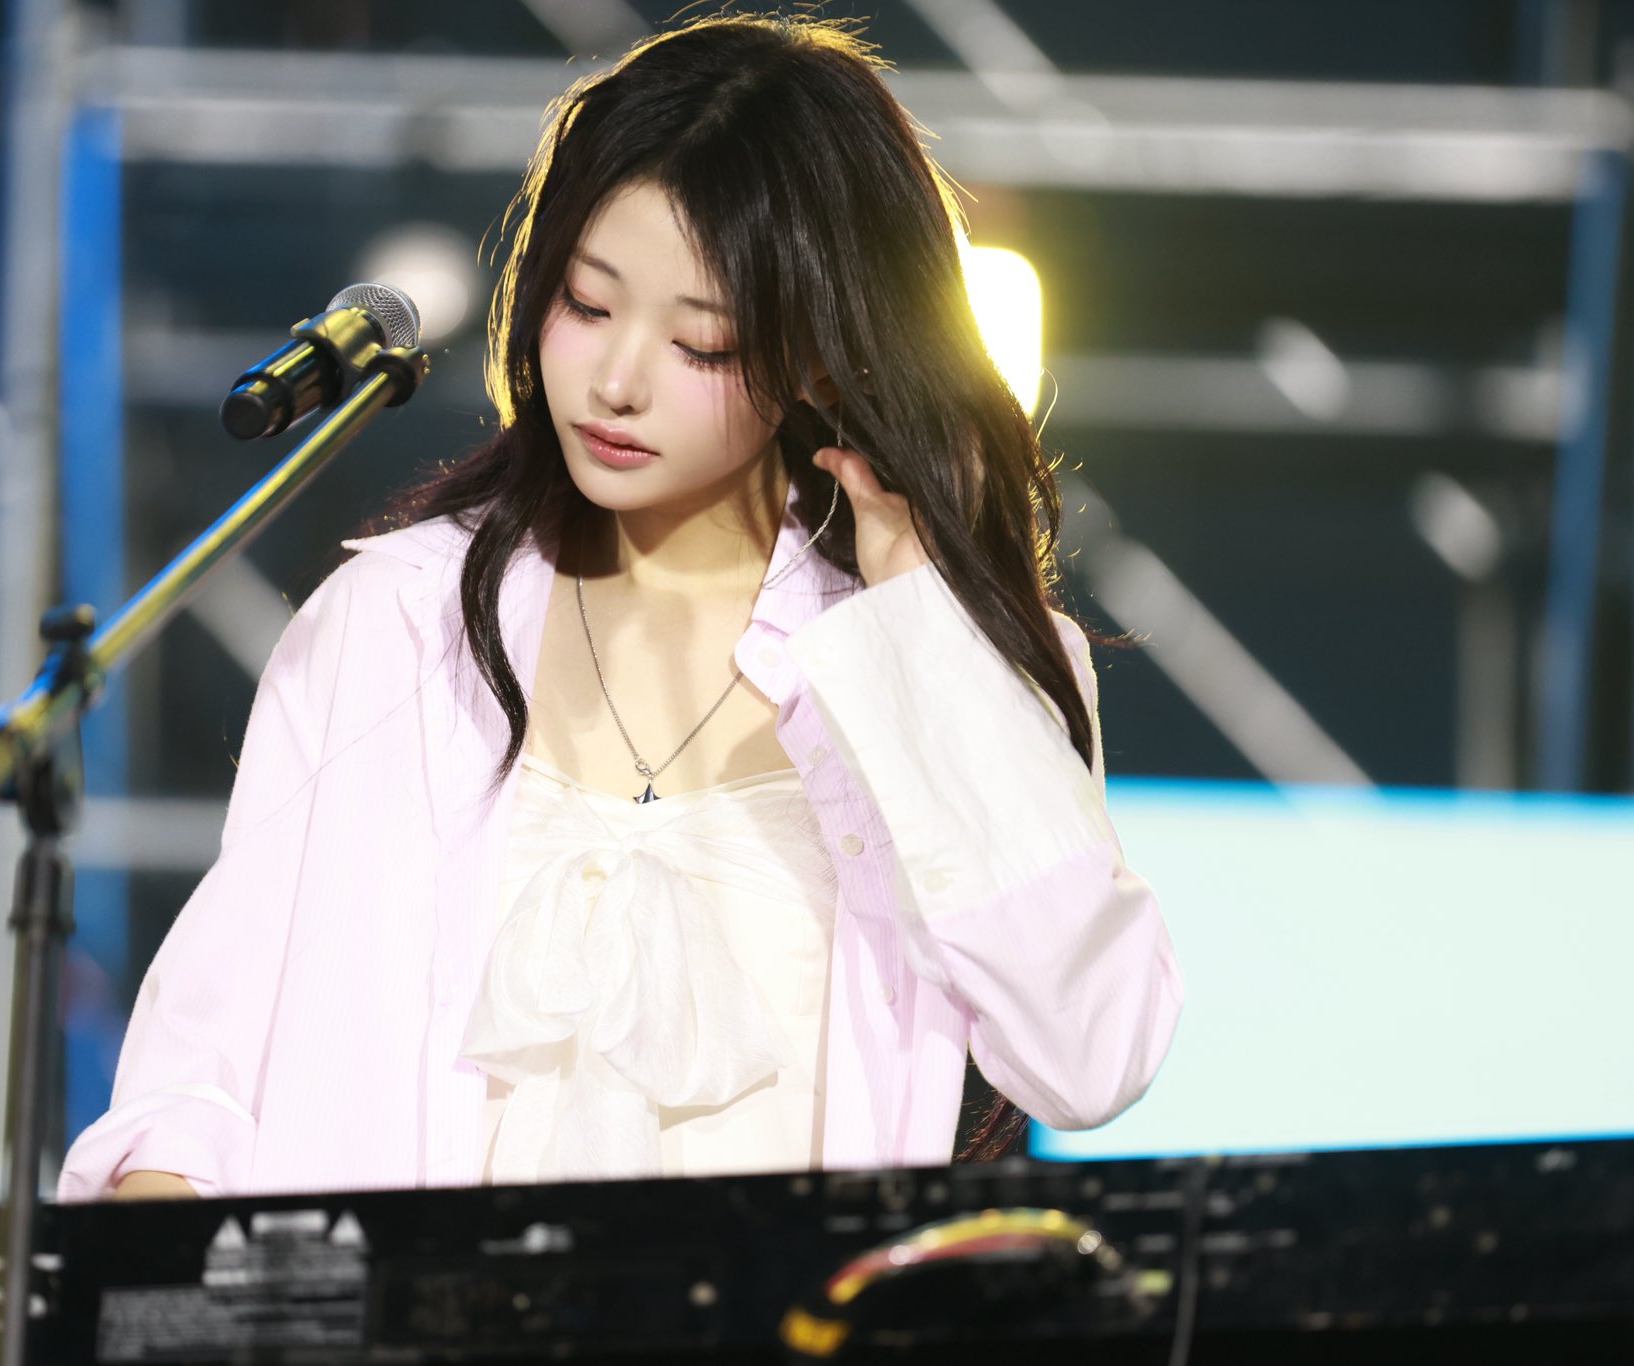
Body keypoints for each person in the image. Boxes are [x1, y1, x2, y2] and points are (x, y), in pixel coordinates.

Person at [60, 12, 1182, 1203]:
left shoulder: (946, 660)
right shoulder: (392, 622)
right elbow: (201, 1072)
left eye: (701, 343)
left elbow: (1089, 1053)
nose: (614, 381)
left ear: (816, 354)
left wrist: (918, 624)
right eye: (587, 306)